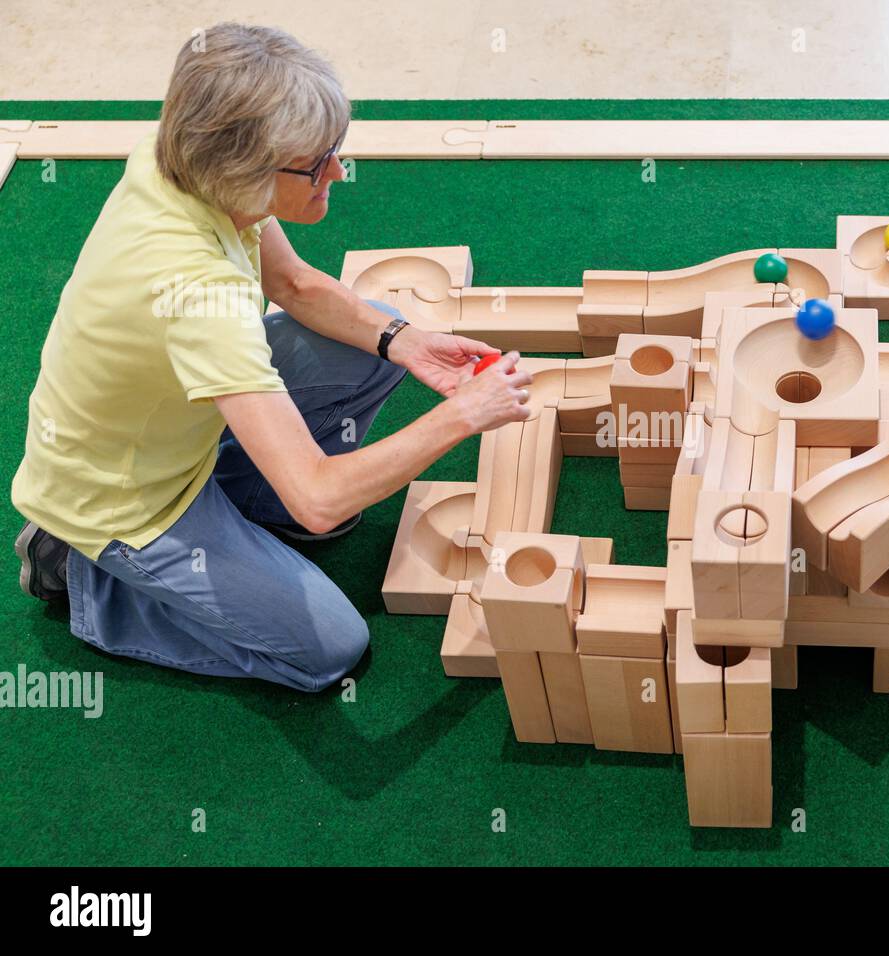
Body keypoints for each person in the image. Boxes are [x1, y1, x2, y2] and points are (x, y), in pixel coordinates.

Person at [10, 23, 532, 692]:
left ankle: (248, 503)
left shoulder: (184, 161)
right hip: (127, 503)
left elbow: (292, 284)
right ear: (246, 168)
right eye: (318, 162)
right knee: (329, 650)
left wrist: (405, 342)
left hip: (173, 437)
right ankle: (89, 578)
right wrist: (463, 415)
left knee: (379, 340)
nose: (338, 172)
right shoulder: (204, 299)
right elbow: (318, 500)